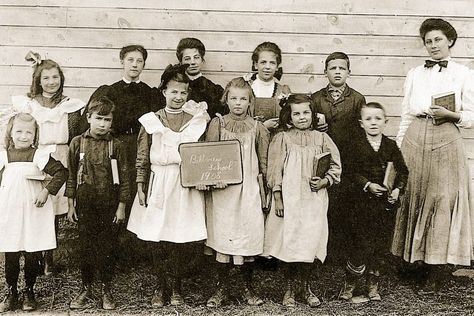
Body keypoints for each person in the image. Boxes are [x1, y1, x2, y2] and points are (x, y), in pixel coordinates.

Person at [391, 18, 474, 294]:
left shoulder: (464, 73)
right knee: (414, 193)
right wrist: (399, 148)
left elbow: (471, 116)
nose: (433, 45)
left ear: (450, 40)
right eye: (428, 41)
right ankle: (415, 263)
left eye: (438, 39)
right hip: (416, 136)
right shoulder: (415, 73)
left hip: (446, 136)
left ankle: (437, 271)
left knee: (442, 198)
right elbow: (406, 113)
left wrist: (453, 115)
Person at [127, 64, 208, 307]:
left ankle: (176, 287)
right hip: (159, 181)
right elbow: (142, 155)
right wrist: (141, 184)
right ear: (163, 92)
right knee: (157, 236)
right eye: (173, 92)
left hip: (184, 184)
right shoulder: (151, 121)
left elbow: (201, 156)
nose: (178, 97)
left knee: (179, 237)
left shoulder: (195, 121)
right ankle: (160, 286)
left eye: (183, 93)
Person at [9, 51, 85, 275]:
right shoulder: (28, 105)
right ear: (38, 81)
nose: (51, 82)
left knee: (55, 209)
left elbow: (76, 137)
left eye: (55, 77)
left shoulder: (71, 107)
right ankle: (32, 254)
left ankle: (49, 258)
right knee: (35, 204)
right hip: (37, 158)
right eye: (46, 78)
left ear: (61, 79)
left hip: (62, 157)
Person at [263, 94, 341, 307]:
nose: (302, 117)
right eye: (296, 113)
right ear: (289, 116)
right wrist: (278, 198)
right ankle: (289, 290)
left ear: (313, 114)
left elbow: (335, 166)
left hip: (313, 199)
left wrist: (325, 181)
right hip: (289, 200)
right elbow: (274, 170)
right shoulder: (282, 138)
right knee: (290, 241)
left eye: (306, 112)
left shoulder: (322, 138)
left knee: (309, 240)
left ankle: (305, 288)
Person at [203, 77, 270, 307]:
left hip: (248, 189)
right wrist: (214, 180)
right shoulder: (218, 124)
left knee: (246, 236)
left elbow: (263, 162)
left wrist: (265, 192)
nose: (238, 103)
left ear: (250, 101)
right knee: (223, 236)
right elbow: (209, 157)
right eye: (233, 98)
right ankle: (221, 289)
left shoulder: (258, 127)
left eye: (243, 99)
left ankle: (246, 288)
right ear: (226, 100)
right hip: (223, 192)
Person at [80, 45, 161, 219]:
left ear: (144, 65)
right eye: (130, 60)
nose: (134, 65)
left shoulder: (150, 93)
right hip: (114, 146)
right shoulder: (109, 91)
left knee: (137, 186)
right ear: (122, 62)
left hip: (140, 147)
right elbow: (89, 122)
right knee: (115, 187)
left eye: (139, 61)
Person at [66, 97, 130, 310]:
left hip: (109, 204)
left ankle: (106, 288)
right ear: (89, 118)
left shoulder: (116, 145)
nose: (103, 124)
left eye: (107, 119)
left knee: (107, 247)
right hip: (85, 203)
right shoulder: (78, 143)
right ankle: (86, 287)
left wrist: (121, 206)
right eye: (99, 118)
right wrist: (70, 205)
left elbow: (125, 177)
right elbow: (71, 176)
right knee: (86, 247)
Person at [341, 102, 408, 302]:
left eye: (378, 119)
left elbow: (403, 171)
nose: (373, 122)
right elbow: (350, 172)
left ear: (385, 122)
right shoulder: (354, 145)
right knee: (360, 245)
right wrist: (368, 184)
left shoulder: (391, 146)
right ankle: (350, 284)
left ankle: (373, 286)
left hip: (384, 207)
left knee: (380, 246)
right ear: (361, 123)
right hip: (360, 205)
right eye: (368, 119)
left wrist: (397, 190)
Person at [0, 113, 68, 312]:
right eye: (19, 131)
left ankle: (29, 291)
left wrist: (46, 191)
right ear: (10, 133)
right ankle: (11, 291)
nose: (23, 136)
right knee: (11, 252)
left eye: (28, 132)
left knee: (32, 251)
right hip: (10, 209)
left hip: (34, 208)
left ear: (35, 135)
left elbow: (61, 172)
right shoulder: (4, 156)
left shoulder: (39, 155)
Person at [311, 52, 366, 264]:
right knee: (323, 203)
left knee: (343, 203)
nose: (337, 72)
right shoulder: (316, 98)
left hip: (347, 157)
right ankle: (320, 252)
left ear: (348, 72)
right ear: (325, 72)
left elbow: (361, 128)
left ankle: (338, 252)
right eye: (333, 68)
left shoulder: (357, 98)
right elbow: (306, 124)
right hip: (322, 158)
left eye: (341, 68)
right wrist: (318, 126)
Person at [173, 37, 227, 118]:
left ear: (202, 60)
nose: (192, 62)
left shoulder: (214, 90)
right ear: (181, 62)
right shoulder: (173, 86)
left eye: (196, 57)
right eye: (187, 59)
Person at [245, 42, 291, 132]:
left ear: (277, 66)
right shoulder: (246, 87)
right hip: (249, 137)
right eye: (263, 62)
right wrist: (261, 127)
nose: (267, 67)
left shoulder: (282, 91)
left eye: (272, 63)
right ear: (255, 64)